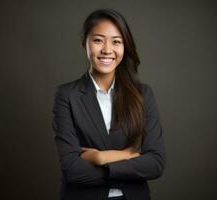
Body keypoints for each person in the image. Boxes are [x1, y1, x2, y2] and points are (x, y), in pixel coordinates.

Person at [52, 8, 166, 200]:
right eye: (98, 40)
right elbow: (72, 169)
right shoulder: (66, 95)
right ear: (84, 43)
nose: (107, 49)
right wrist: (129, 156)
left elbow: (155, 163)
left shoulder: (143, 94)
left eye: (116, 41)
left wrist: (99, 158)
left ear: (125, 47)